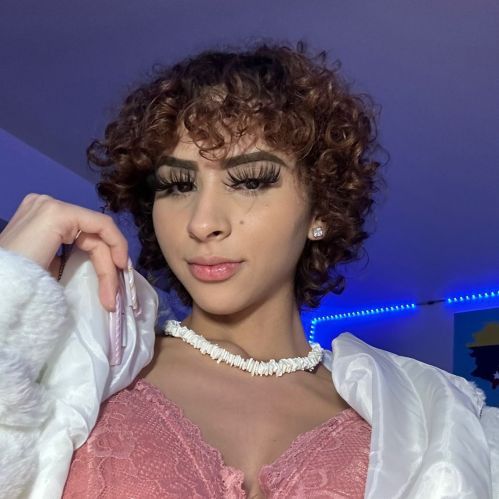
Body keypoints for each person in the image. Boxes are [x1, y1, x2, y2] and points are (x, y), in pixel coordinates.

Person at [0, 43, 497, 499]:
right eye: (177, 186)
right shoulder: (82, 372)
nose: (203, 223)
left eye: (251, 180)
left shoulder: (429, 425)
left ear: (321, 208)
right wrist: (8, 277)